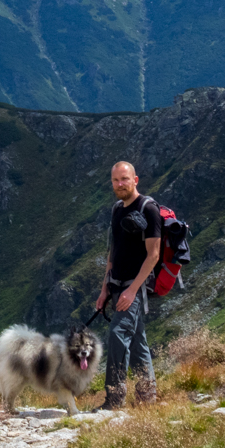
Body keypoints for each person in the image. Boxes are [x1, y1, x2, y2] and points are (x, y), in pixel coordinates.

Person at [94, 161, 162, 409]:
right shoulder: (116, 209)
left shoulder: (148, 209)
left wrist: (132, 291)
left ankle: (114, 398)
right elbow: (113, 252)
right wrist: (104, 289)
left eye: (124, 179)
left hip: (134, 286)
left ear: (136, 179)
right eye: (115, 180)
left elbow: (153, 255)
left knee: (117, 334)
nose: (120, 184)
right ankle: (147, 399)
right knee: (137, 340)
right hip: (116, 283)